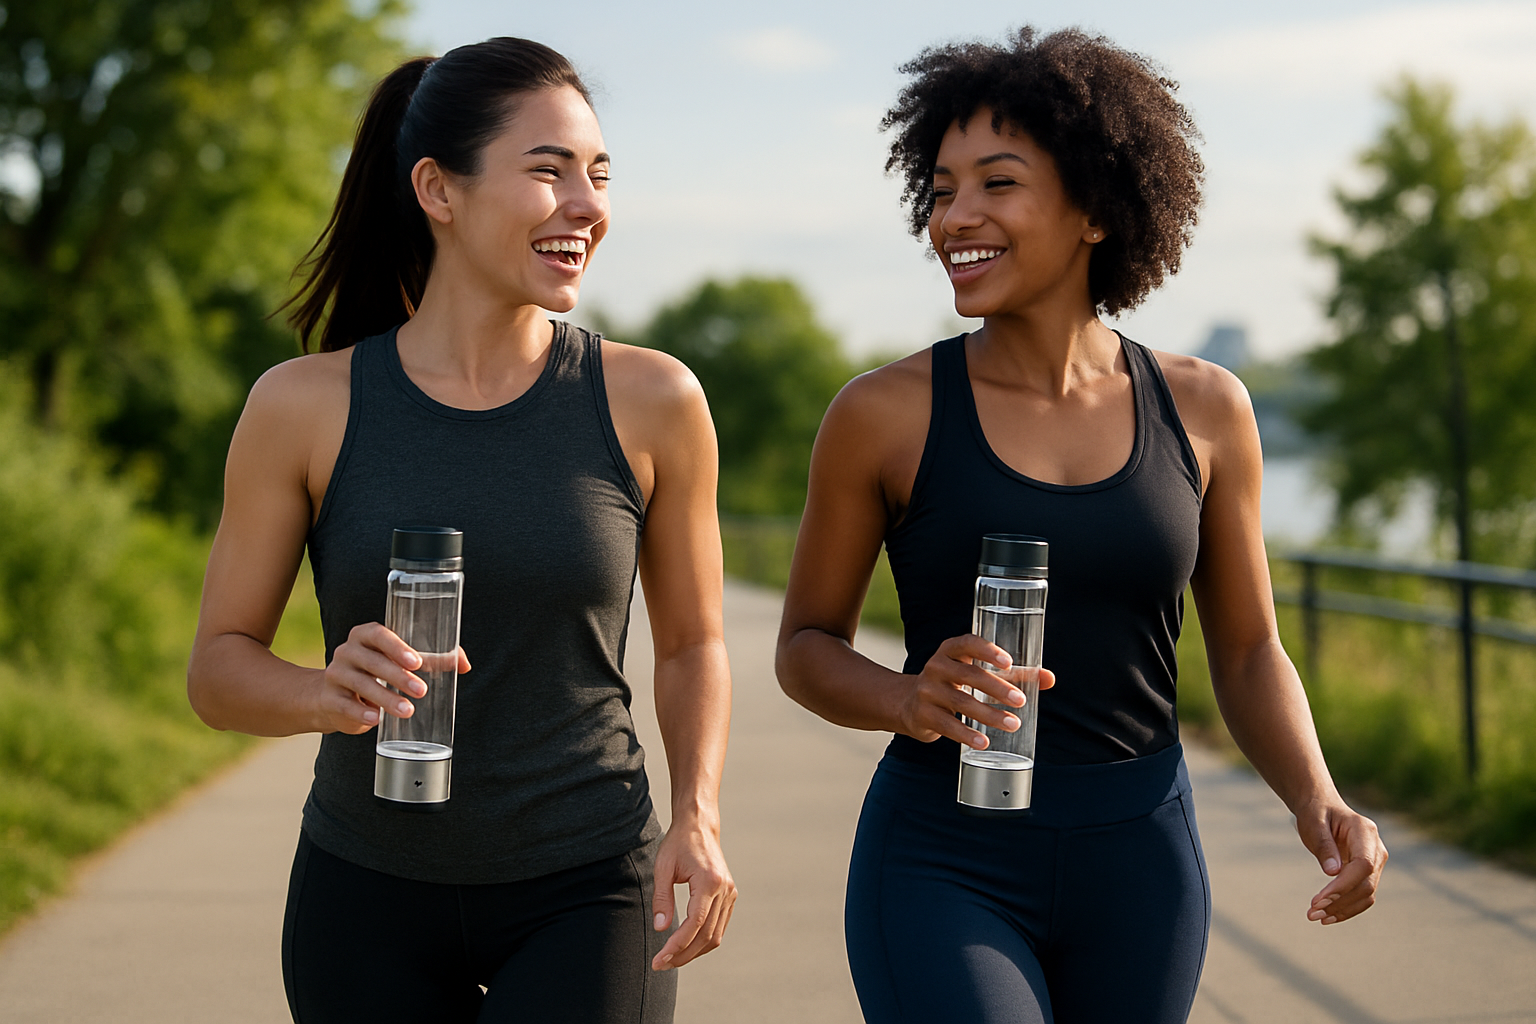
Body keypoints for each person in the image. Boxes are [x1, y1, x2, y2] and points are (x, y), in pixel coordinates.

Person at [775, 27, 1387, 1024]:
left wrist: (1320, 798)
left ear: (1098, 209)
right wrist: (906, 697)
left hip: (1142, 860)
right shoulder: (881, 415)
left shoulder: (1207, 409)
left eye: (997, 184)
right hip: (943, 855)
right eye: (941, 190)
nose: (955, 218)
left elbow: (1247, 650)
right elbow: (804, 646)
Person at [186, 37, 735, 1024]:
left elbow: (694, 642)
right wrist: (322, 690)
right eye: (550, 170)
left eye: (600, 174)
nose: (587, 205)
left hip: (588, 886)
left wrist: (696, 813)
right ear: (438, 189)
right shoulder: (302, 406)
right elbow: (218, 670)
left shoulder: (654, 399)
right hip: (364, 892)